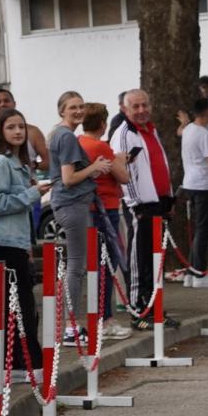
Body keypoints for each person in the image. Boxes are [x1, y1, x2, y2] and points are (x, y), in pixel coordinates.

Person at [0, 108, 44, 377]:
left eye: (21, 127)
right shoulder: (1, 164)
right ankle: (21, 362)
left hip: (16, 241)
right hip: (3, 242)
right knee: (20, 304)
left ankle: (23, 360)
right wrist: (32, 193)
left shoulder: (18, 164)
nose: (18, 131)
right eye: (11, 127)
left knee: (23, 303)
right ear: (0, 133)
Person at [47, 90, 114, 346]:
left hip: (73, 204)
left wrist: (91, 167)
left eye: (81, 107)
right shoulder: (66, 137)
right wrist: (94, 168)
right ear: (62, 110)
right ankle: (69, 327)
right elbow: (69, 178)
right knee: (76, 267)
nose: (78, 111)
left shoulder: (62, 135)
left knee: (77, 266)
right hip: (72, 204)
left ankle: (70, 324)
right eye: (72, 107)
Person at [110, 89, 178, 331]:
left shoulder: (151, 130)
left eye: (144, 105)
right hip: (140, 207)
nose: (141, 111)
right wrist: (136, 204)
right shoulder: (125, 134)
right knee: (140, 258)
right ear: (125, 110)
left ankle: (153, 307)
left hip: (158, 202)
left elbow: (160, 164)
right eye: (135, 107)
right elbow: (126, 173)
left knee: (154, 258)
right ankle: (139, 310)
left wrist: (168, 198)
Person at [78, 103, 132, 341]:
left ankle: (100, 316)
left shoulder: (78, 143)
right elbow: (123, 176)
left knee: (96, 265)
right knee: (107, 264)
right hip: (105, 208)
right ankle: (105, 319)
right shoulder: (101, 146)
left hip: (87, 208)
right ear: (103, 124)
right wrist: (121, 159)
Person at [181, 98, 208, 286]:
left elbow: (180, 131)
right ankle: (199, 273)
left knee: (198, 228)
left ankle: (191, 272)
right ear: (207, 113)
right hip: (203, 184)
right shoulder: (205, 135)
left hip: (189, 182)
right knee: (203, 229)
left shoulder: (188, 129)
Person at [0, 88, 49, 177]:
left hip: (28, 187)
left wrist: (32, 165)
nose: (3, 104)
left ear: (14, 104)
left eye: (6, 100)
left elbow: (49, 162)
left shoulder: (33, 132)